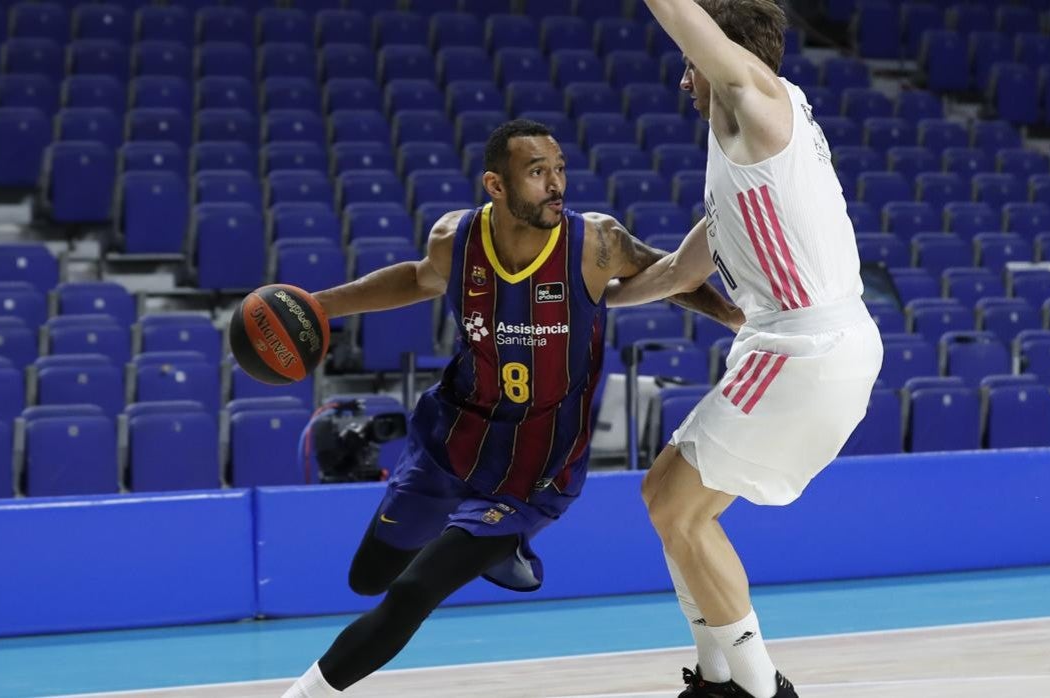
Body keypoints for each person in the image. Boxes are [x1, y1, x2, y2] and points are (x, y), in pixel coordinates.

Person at [282, 119, 743, 697]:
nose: (555, 185)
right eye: (536, 173)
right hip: (451, 445)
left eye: (558, 170)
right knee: (367, 577)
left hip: (533, 474)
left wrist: (731, 317)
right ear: (496, 186)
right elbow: (420, 279)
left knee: (413, 592)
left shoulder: (596, 242)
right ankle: (477, 541)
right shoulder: (456, 239)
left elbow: (669, 273)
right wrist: (321, 306)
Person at [605, 2, 886, 697]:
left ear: (722, 59)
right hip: (808, 344)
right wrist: (597, 300)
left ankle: (759, 690)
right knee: (666, 497)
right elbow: (676, 273)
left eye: (690, 66)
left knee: (676, 507)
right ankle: (716, 675)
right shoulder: (747, 160)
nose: (683, 83)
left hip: (805, 345)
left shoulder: (755, 99)